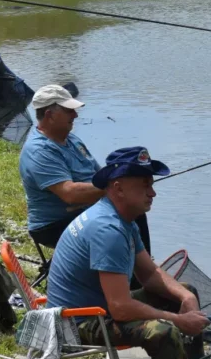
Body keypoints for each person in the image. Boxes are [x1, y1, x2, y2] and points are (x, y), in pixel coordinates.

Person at [46, 146, 209, 359]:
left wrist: (185, 300)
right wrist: (178, 321)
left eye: (152, 184)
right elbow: (121, 308)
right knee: (162, 331)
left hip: (98, 310)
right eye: (144, 184)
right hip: (75, 323)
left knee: (185, 293)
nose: (152, 192)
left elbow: (151, 274)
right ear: (118, 187)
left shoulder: (122, 219)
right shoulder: (108, 230)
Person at [20, 85, 152, 254]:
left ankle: (141, 271)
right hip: (54, 224)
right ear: (49, 115)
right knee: (122, 219)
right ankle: (134, 274)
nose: (75, 115)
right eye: (69, 111)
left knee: (134, 208)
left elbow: (99, 175)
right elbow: (70, 194)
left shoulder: (72, 139)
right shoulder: (39, 151)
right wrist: (116, 188)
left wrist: (124, 178)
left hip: (86, 210)